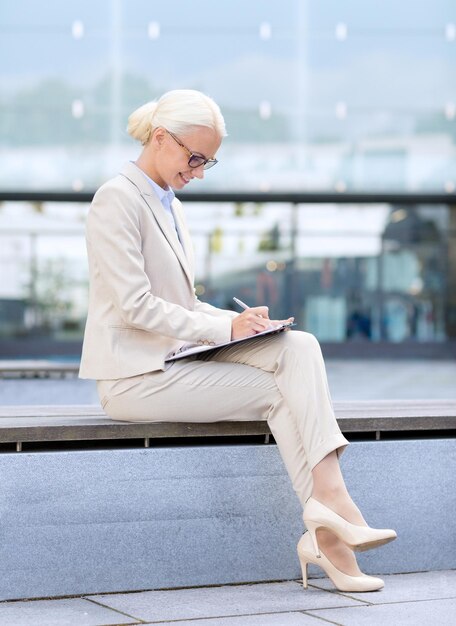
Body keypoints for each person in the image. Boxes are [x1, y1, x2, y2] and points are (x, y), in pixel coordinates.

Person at [79, 89, 396, 592]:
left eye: (209, 161)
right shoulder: (116, 198)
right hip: (133, 377)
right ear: (161, 138)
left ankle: (329, 525)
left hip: (173, 361)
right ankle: (335, 520)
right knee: (283, 390)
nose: (200, 171)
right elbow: (133, 306)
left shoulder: (170, 206)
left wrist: (242, 322)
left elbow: (182, 305)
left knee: (298, 347)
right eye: (195, 157)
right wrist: (223, 329)